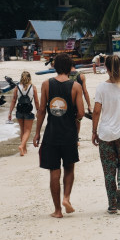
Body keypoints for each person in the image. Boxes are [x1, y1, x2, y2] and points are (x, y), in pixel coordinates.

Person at [33, 53, 84, 218]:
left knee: (54, 171)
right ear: (70, 68)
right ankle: (67, 198)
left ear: (55, 67)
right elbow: (81, 113)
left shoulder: (46, 84)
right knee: (69, 168)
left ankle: (57, 211)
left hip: (52, 134)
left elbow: (41, 110)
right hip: (69, 134)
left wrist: (37, 133)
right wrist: (74, 122)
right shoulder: (76, 86)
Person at [92, 55, 120, 214]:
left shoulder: (101, 88)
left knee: (108, 170)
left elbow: (96, 111)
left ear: (106, 67)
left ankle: (112, 204)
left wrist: (94, 131)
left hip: (105, 134)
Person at [8, 71, 38, 156]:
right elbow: (36, 101)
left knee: (22, 130)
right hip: (30, 111)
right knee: (27, 130)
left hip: (19, 111)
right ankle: (22, 146)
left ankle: (24, 149)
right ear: (30, 78)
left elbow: (14, 100)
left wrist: (10, 112)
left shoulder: (17, 88)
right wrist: (38, 111)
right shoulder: (33, 87)